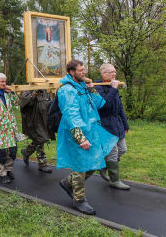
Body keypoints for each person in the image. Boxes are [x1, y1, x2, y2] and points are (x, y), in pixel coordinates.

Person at [57, 59, 118, 215]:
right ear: (72, 72)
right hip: (76, 132)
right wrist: (80, 137)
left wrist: (92, 90)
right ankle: (79, 200)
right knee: (80, 165)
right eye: (81, 70)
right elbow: (71, 115)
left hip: (91, 130)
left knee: (94, 162)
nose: (84, 72)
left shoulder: (83, 87)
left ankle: (67, 182)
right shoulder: (67, 90)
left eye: (84, 69)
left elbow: (100, 104)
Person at [95, 63, 130, 190]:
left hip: (117, 123)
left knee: (123, 149)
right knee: (113, 152)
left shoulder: (113, 85)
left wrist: (125, 124)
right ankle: (114, 180)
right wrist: (113, 89)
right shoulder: (97, 88)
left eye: (115, 71)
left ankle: (104, 167)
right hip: (106, 125)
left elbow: (119, 108)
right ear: (103, 74)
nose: (114, 74)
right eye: (111, 72)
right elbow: (104, 105)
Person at [20, 89, 55, 173]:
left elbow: (50, 104)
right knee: (40, 139)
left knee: (39, 140)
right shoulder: (27, 92)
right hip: (34, 122)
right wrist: (33, 94)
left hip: (44, 121)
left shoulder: (45, 92)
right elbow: (24, 104)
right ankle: (42, 164)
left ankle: (26, 151)